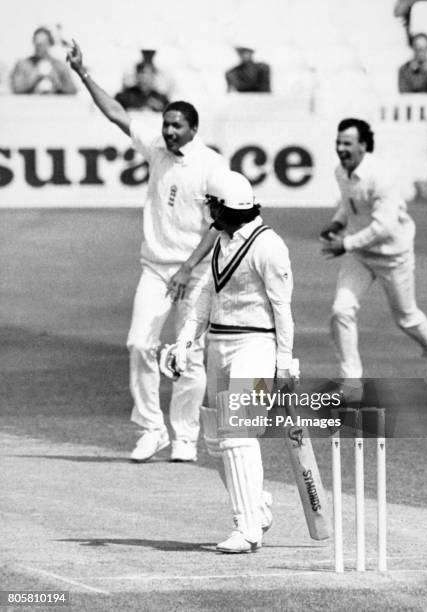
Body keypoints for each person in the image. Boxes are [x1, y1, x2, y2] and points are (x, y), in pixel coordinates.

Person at [67, 40, 227, 463]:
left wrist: (188, 266)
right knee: (140, 345)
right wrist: (84, 74)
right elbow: (118, 114)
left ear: (193, 128)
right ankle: (152, 429)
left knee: (187, 356)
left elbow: (220, 223)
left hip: (195, 274)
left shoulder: (211, 166)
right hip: (156, 269)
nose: (169, 131)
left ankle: (185, 437)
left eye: (176, 125)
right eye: (166, 124)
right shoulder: (156, 147)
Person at [163, 171, 294, 553]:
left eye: (211, 204)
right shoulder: (222, 239)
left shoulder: (269, 246)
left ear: (224, 205)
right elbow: (207, 294)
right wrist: (185, 341)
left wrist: (283, 365)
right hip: (218, 344)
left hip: (256, 346)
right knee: (215, 439)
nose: (208, 211)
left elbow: (283, 310)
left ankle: (248, 528)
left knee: (237, 433)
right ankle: (258, 506)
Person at [320, 118, 427, 395]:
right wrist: (336, 223)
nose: (341, 148)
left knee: (406, 317)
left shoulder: (381, 175)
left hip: (393, 255)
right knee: (341, 310)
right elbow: (351, 206)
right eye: (338, 142)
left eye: (347, 143)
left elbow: (384, 226)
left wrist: (344, 243)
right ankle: (351, 381)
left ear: (363, 146)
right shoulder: (340, 171)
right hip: (359, 255)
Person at [11, 27, 77, 95]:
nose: (39, 47)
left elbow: (72, 90)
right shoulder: (23, 64)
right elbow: (16, 88)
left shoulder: (59, 65)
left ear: (50, 43)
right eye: (37, 43)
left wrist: (55, 81)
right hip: (28, 104)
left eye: (43, 43)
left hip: (54, 104)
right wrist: (36, 76)